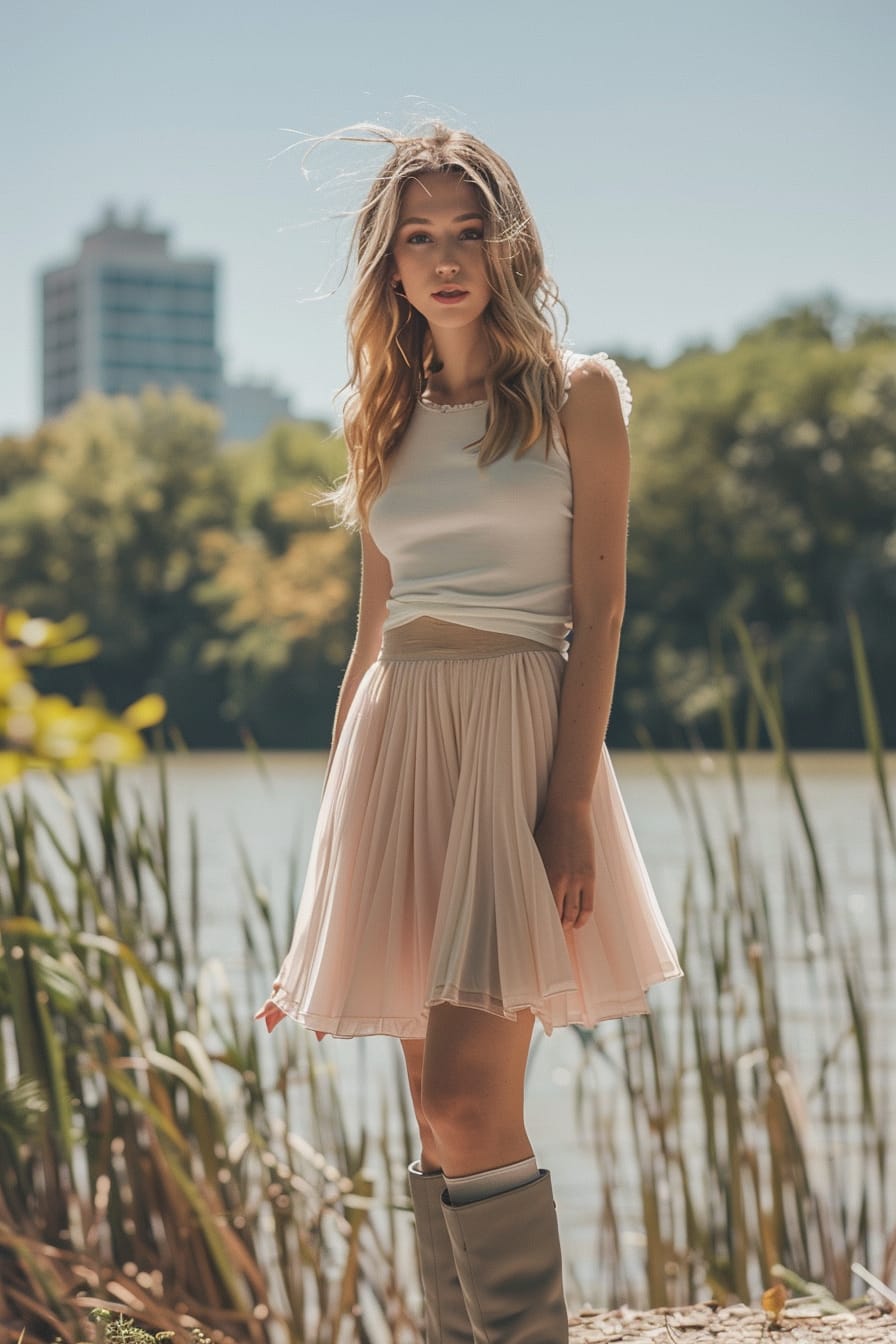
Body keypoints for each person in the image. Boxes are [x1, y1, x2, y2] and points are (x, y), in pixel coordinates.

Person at [255, 121, 683, 1344]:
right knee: (427, 1118)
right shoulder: (377, 414)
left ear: (507, 246)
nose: (444, 258)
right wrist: (330, 859)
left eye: (466, 232)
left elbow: (596, 611)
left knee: (463, 1100)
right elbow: (366, 637)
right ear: (389, 266)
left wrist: (562, 806)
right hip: (395, 749)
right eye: (416, 238)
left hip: (514, 738)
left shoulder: (576, 394)